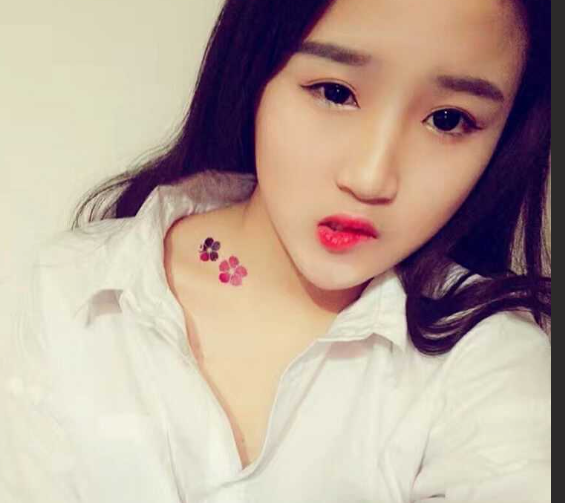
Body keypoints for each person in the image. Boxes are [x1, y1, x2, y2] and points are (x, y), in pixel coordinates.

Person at [0, 0, 551, 501]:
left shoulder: (491, 358)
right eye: (335, 92)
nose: (370, 178)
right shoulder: (76, 288)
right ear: (253, 71)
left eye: (448, 120)